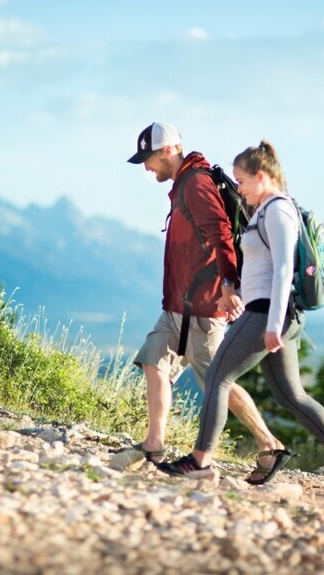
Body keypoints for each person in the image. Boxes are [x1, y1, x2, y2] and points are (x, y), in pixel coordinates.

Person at [158, 140, 324, 494]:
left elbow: (284, 269)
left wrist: (273, 325)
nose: (238, 188)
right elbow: (262, 268)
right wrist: (237, 294)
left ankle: (199, 460)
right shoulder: (264, 211)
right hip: (267, 311)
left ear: (261, 176)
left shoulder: (279, 210)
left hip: (270, 314)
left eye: (242, 181)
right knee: (291, 395)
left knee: (217, 377)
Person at [125, 122, 285, 484]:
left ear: (169, 150)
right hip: (178, 306)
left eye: (149, 158)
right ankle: (154, 444)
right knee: (153, 359)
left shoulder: (196, 183)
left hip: (204, 307)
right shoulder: (184, 183)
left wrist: (229, 285)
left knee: (217, 381)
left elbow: (220, 233)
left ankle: (269, 445)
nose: (146, 167)